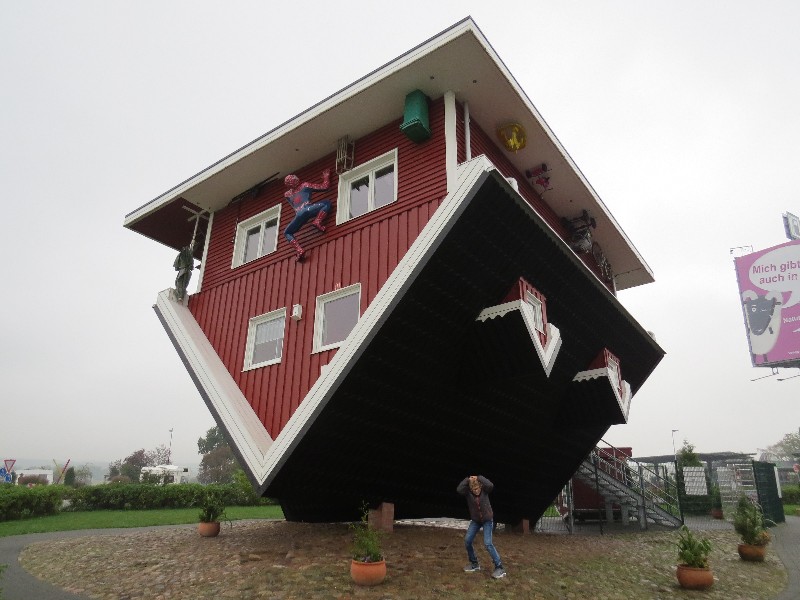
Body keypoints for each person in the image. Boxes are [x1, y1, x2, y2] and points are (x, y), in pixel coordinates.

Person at [457, 474, 506, 579]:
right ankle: (474, 564)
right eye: (473, 489)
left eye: (477, 488)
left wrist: (479, 477)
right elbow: (459, 489)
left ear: (480, 486)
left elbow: (491, 485)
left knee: (488, 543)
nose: (476, 491)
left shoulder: (485, 490)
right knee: (467, 541)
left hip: (487, 520)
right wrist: (467, 479)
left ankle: (499, 567)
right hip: (476, 521)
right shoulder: (468, 493)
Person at [283, 168, 332, 261]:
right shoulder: (305, 185)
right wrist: (326, 177)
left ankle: (299, 250)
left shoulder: (287, 195)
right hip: (308, 209)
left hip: (298, 215)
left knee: (287, 232)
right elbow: (325, 187)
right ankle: (317, 221)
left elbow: (294, 198)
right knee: (327, 203)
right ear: (295, 180)